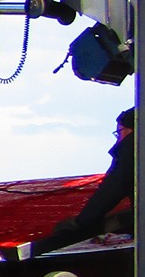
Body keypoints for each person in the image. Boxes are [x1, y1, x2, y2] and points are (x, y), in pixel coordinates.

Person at [30, 107, 133, 255]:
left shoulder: (130, 150)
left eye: (119, 133)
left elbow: (109, 192)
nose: (118, 140)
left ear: (132, 129)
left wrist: (80, 223)